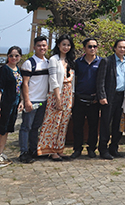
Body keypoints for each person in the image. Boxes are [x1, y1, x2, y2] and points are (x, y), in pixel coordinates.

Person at [36, 34, 75, 160]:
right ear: (58, 45)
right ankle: (51, 150)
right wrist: (58, 98)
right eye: (63, 44)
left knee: (64, 122)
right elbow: (53, 80)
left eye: (68, 45)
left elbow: (73, 80)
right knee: (54, 122)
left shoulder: (70, 61)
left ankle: (60, 148)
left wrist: (72, 97)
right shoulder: (54, 59)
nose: (66, 47)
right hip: (57, 93)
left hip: (68, 93)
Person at [95, 39, 125, 160]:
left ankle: (114, 147)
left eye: (124, 48)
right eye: (120, 47)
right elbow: (100, 80)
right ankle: (103, 149)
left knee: (118, 124)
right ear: (114, 48)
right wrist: (102, 96)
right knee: (106, 123)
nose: (122, 50)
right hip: (110, 96)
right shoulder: (107, 61)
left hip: (122, 97)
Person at [18, 35, 49, 163]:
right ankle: (24, 152)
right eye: (39, 45)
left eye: (44, 45)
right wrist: (27, 101)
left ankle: (33, 150)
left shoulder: (48, 62)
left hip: (43, 100)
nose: (42, 48)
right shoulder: (29, 63)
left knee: (36, 127)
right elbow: (25, 83)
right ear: (34, 47)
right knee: (26, 127)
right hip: (32, 100)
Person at [71, 37, 102, 159]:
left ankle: (91, 149)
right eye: (90, 46)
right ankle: (77, 148)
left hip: (94, 100)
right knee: (77, 126)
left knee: (93, 126)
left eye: (95, 46)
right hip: (79, 99)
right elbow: (74, 79)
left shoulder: (101, 62)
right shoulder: (78, 62)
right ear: (84, 48)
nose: (92, 49)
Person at [0, 47, 24, 167]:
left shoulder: (18, 70)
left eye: (17, 56)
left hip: (14, 103)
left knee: (7, 129)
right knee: (1, 128)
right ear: (7, 56)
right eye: (11, 56)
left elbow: (20, 88)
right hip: (5, 103)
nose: (14, 58)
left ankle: (1, 152)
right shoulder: (4, 70)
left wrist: (21, 101)